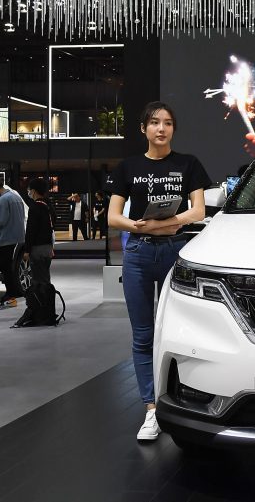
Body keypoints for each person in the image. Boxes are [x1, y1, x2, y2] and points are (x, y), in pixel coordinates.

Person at [106, 101, 210, 442]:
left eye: (167, 123)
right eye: (154, 123)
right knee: (142, 335)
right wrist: (141, 226)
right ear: (143, 129)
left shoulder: (188, 164)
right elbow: (113, 217)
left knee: (180, 332)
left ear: (173, 129)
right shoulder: (128, 167)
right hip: (136, 253)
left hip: (174, 251)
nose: (161, 128)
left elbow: (197, 211)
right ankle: (151, 409)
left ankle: (184, 404)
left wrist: (167, 223)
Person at [0, 178, 26, 307]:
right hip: (15, 237)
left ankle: (10, 295)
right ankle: (14, 292)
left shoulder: (3, 199)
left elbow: (0, 220)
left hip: (5, 238)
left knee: (5, 268)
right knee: (10, 267)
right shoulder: (15, 197)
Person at [23, 178, 54, 289]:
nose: (29, 192)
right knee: (45, 276)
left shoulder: (35, 207)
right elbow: (52, 226)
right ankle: (47, 302)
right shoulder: (48, 205)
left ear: (34, 191)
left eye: (29, 189)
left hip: (37, 248)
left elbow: (31, 230)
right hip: (47, 247)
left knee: (38, 279)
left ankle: (40, 303)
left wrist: (27, 250)